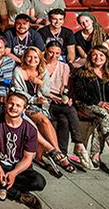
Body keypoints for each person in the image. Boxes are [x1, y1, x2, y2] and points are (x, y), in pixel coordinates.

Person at [0, 92, 45, 209]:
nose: (13, 108)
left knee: (39, 182)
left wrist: (14, 173)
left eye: (18, 105)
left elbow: (28, 158)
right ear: (6, 104)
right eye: (11, 103)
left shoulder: (30, 130)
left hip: (17, 167)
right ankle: (19, 195)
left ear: (24, 108)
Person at [11, 46, 74, 175]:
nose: (32, 60)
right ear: (24, 57)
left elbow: (46, 91)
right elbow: (18, 92)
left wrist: (39, 82)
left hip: (42, 105)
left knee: (45, 122)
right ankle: (58, 153)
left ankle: (49, 155)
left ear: (40, 59)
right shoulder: (18, 71)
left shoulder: (42, 70)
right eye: (29, 56)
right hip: (25, 105)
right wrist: (34, 100)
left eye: (35, 57)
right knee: (44, 120)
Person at [72, 46, 109, 170]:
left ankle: (95, 155)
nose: (98, 58)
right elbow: (80, 93)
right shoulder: (82, 72)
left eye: (101, 55)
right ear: (90, 57)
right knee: (103, 114)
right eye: (95, 55)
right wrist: (98, 102)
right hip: (87, 105)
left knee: (101, 120)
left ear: (107, 57)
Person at [44, 42, 89, 167]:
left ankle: (63, 153)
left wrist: (66, 97)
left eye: (57, 53)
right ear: (46, 50)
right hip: (44, 100)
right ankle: (79, 143)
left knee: (64, 119)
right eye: (51, 52)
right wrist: (52, 97)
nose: (54, 55)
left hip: (58, 101)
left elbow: (64, 87)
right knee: (69, 111)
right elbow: (39, 88)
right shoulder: (40, 64)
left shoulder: (64, 67)